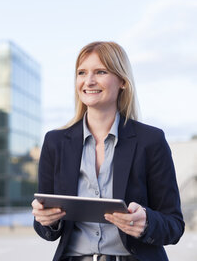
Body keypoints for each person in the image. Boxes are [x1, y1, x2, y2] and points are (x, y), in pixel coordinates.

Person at [32, 41, 184, 261]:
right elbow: (44, 227)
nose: (89, 81)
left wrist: (146, 223)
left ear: (122, 81)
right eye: (81, 72)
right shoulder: (55, 142)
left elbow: (174, 225)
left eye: (100, 72)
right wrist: (47, 219)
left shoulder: (150, 140)